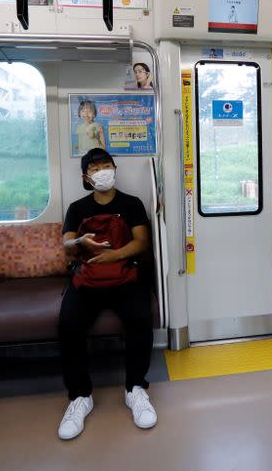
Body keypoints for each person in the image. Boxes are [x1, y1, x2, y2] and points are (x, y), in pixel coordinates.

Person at [57, 148, 157, 440]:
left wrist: (112, 257)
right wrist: (79, 242)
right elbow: (66, 245)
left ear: (114, 168)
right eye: (95, 167)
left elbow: (141, 243)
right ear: (86, 176)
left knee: (140, 317)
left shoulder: (132, 204)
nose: (102, 171)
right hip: (88, 278)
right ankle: (80, 396)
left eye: (106, 165)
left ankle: (135, 388)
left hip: (125, 276)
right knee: (68, 323)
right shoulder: (77, 208)